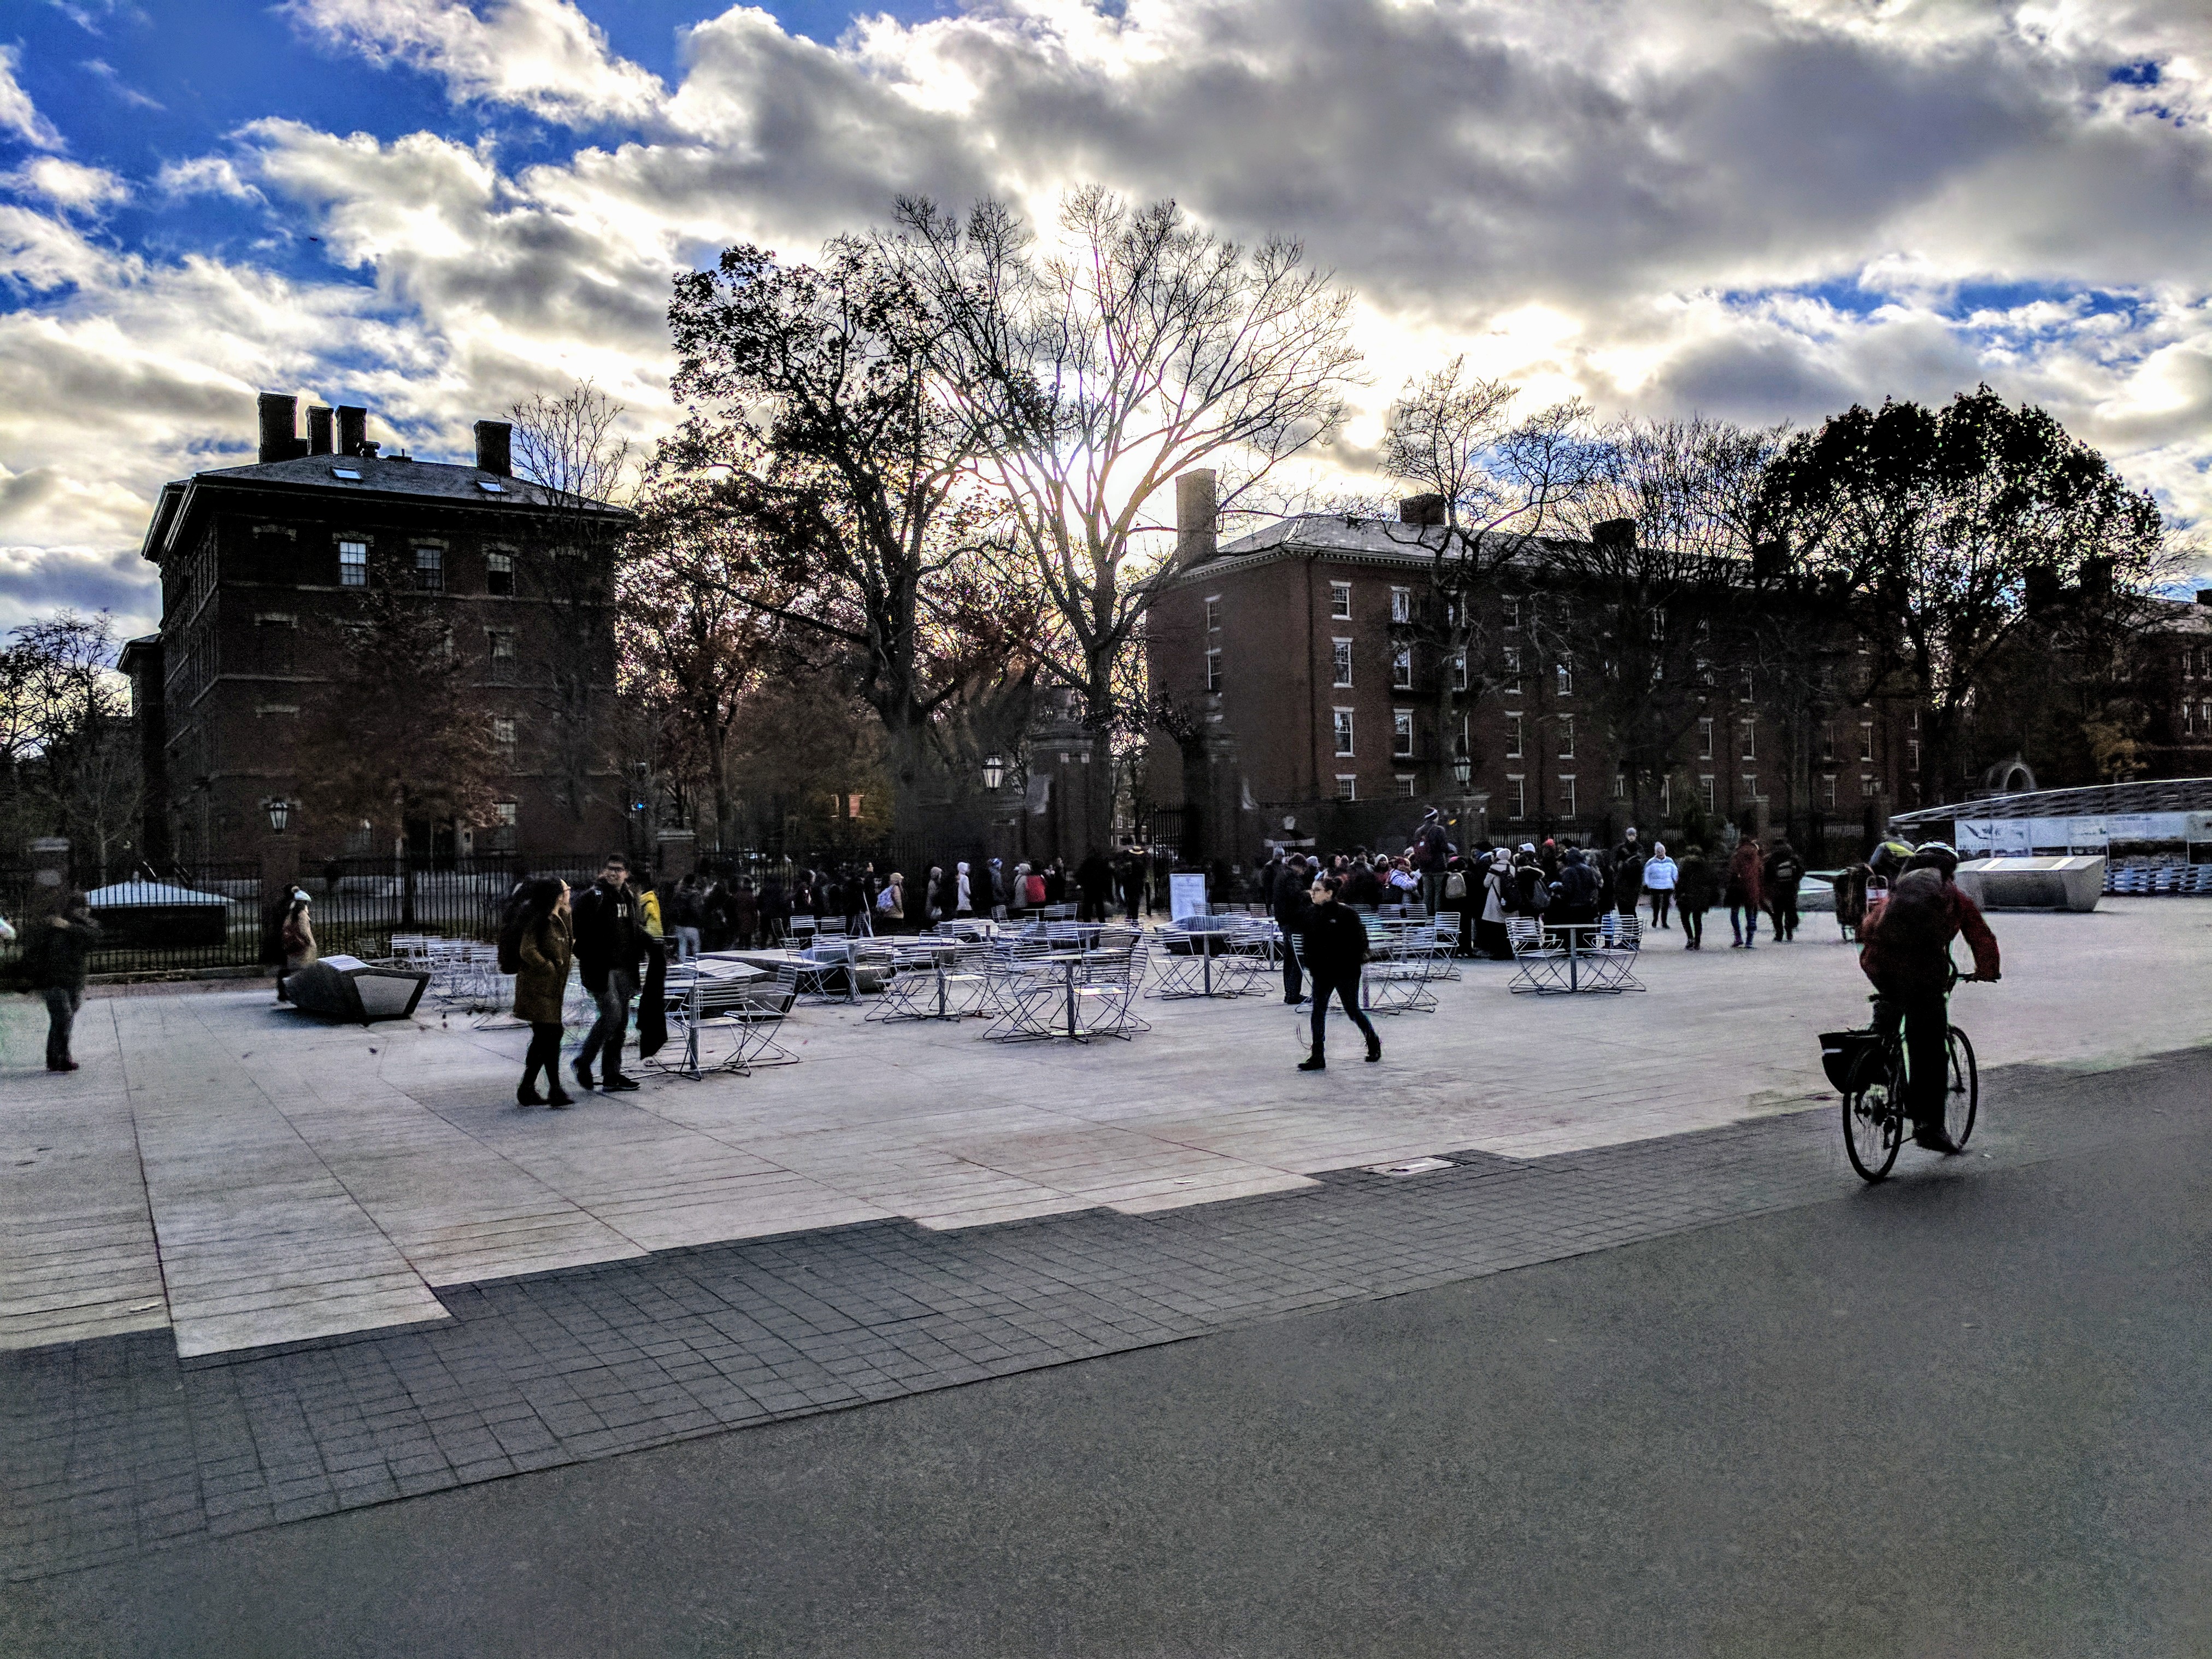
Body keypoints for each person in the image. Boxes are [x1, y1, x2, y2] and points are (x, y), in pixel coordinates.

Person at [1857, 841, 1999, 1151]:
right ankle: (1929, 1127)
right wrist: (1987, 970)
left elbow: (1867, 928)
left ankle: (1877, 1063)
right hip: (1922, 975)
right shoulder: (1951, 896)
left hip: (1879, 967)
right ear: (1950, 869)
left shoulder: (1898, 890)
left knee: (1891, 1013)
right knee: (1929, 1047)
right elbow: (1980, 935)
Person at [570, 854, 648, 1092]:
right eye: (610, 869)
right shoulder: (594, 896)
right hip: (601, 968)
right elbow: (577, 926)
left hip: (625, 967)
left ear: (627, 873)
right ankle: (583, 1061)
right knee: (612, 1015)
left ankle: (612, 1075)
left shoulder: (628, 896)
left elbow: (632, 929)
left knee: (622, 1023)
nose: (614, 873)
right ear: (605, 871)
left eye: (619, 869)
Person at [1297, 873, 1381, 1071]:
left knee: (1352, 1010)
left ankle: (1373, 1042)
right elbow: (1307, 943)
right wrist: (1311, 964)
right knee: (1318, 1011)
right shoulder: (1311, 914)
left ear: (1329, 893)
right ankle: (1317, 1055)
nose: (1312, 894)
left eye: (1317, 890)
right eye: (1312, 890)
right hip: (1322, 972)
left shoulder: (1346, 914)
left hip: (1345, 971)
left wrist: (1351, 962)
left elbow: (1361, 943)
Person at [509, 878, 576, 1109]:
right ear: (558, 895)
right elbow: (527, 950)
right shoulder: (539, 919)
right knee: (552, 1034)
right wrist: (547, 966)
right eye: (566, 890)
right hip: (537, 988)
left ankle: (527, 1088)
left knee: (544, 1038)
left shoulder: (563, 917)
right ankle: (555, 1089)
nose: (569, 892)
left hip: (553, 988)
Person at [24, 892, 98, 1072]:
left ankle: (56, 1057)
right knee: (63, 1017)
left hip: (74, 981)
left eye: (85, 908)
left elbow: (92, 938)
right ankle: (61, 1057)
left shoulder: (83, 926)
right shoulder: (53, 926)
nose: (83, 911)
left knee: (63, 1020)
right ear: (70, 909)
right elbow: (35, 948)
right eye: (79, 908)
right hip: (53, 981)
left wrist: (69, 927)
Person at [1273, 854, 1313, 1004]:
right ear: (1299, 866)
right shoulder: (1291, 877)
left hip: (1284, 920)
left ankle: (1289, 993)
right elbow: (1296, 895)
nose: (1303, 873)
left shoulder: (1281, 874)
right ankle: (1294, 994)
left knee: (1289, 958)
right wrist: (1310, 894)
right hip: (1294, 920)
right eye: (1303, 869)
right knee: (1298, 958)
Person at [277, 889, 316, 1003]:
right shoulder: (302, 914)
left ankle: (288, 992)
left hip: (294, 947)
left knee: (294, 971)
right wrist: (310, 942)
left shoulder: (291, 914)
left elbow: (286, 927)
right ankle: (303, 994)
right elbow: (304, 931)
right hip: (303, 947)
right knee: (304, 972)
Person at [1725, 837, 1766, 948]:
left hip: (1738, 887)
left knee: (1734, 912)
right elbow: (1761, 871)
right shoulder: (1756, 854)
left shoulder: (1737, 854)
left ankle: (1738, 938)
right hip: (1752, 887)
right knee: (1750, 913)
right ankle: (1750, 940)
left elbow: (1732, 870)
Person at [1763, 837, 1805, 942]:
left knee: (1777, 912)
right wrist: (1795, 881)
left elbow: (1767, 875)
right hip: (1791, 889)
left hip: (1777, 889)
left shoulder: (1772, 858)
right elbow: (1801, 871)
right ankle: (1789, 932)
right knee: (1790, 910)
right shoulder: (1793, 857)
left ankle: (1779, 934)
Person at [1675, 844, 1716, 950]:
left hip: (1686, 894)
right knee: (1697, 918)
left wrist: (1678, 893)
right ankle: (1697, 941)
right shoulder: (1705, 864)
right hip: (1700, 894)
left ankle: (1690, 938)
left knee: (1685, 917)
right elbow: (1711, 879)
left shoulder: (1684, 863)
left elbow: (1681, 880)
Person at [1478, 848, 1515, 960]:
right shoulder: (1512, 868)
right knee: (1507, 927)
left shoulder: (1493, 868)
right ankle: (1509, 951)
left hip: (1495, 899)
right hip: (1508, 899)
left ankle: (1498, 952)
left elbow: (1486, 884)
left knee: (1495, 928)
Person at [669, 874, 705, 963]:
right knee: (696, 946)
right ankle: (697, 964)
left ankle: (682, 965)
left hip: (680, 925)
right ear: (694, 882)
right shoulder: (695, 894)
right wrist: (701, 922)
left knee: (682, 945)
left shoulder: (679, 893)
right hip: (692, 925)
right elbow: (696, 910)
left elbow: (672, 908)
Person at [1642, 842, 1676, 929]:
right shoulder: (1650, 862)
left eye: (1662, 851)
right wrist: (1646, 884)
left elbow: (1675, 873)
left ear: (1665, 851)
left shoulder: (1670, 861)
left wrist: (1676, 881)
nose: (1660, 853)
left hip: (1667, 886)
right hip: (1655, 886)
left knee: (1665, 905)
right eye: (1658, 851)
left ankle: (1664, 922)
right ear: (1655, 852)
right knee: (1656, 905)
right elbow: (1647, 874)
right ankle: (1655, 920)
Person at [1075, 850, 1114, 922]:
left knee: (1087, 906)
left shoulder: (1087, 863)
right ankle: (1101, 922)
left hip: (1089, 888)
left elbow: (1079, 874)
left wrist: (1081, 883)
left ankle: (1087, 921)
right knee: (1099, 906)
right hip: (1098, 888)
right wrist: (1109, 894)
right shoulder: (1102, 864)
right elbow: (1106, 879)